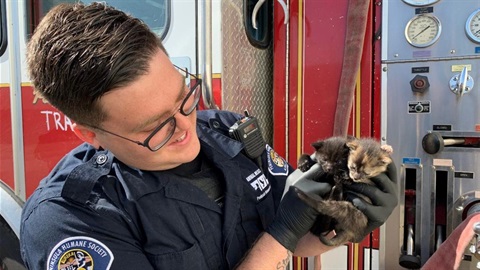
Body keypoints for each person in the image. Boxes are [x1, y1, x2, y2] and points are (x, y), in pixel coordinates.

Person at [19, 3, 398, 270]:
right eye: (155, 128)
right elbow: (282, 237)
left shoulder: (228, 134)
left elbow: (297, 240)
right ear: (89, 133)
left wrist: (346, 223)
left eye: (184, 97)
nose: (186, 127)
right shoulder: (69, 222)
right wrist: (280, 236)